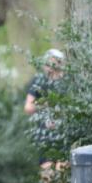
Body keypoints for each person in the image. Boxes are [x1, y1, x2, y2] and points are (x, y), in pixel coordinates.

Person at [23, 48, 65, 176]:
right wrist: (45, 104)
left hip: (65, 135)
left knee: (63, 171)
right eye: (47, 63)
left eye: (52, 63)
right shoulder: (39, 81)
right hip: (46, 136)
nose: (49, 67)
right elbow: (28, 107)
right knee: (48, 174)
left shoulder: (67, 82)